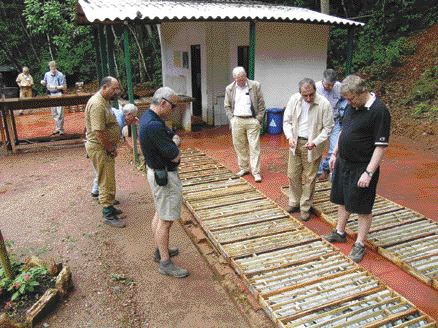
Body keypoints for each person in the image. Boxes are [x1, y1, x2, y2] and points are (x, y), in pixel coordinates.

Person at [324, 75, 391, 263]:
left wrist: (369, 172)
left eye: (351, 98)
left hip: (362, 166)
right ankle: (339, 231)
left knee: (362, 206)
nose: (349, 102)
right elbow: (344, 131)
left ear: (362, 92)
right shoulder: (352, 106)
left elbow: (380, 146)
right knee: (342, 199)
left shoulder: (379, 111)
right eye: (346, 99)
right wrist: (335, 154)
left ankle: (360, 243)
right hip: (344, 162)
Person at [139, 86, 188, 278]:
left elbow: (171, 139)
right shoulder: (154, 125)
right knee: (166, 221)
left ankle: (161, 251)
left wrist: (173, 140)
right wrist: (175, 144)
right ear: (163, 103)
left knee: (160, 214)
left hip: (157, 172)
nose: (173, 110)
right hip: (164, 176)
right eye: (173, 106)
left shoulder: (150, 119)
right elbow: (175, 156)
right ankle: (165, 263)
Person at [283, 78, 334, 221]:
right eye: (305, 95)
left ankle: (305, 207)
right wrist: (289, 137)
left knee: (309, 178)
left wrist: (316, 142)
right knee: (292, 174)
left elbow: (328, 127)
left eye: (311, 94)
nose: (308, 98)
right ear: (300, 93)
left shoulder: (324, 103)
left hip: (313, 145)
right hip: (295, 142)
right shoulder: (294, 100)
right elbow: (286, 121)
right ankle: (294, 201)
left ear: (315, 90)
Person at [85, 76, 125, 228]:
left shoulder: (105, 101)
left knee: (108, 177)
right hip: (100, 148)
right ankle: (108, 213)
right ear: (104, 87)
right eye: (114, 88)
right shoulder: (97, 104)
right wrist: (109, 148)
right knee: (105, 179)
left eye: (117, 88)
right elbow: (99, 132)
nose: (117, 91)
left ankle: (110, 207)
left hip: (104, 147)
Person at [224, 66, 266, 183]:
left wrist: (258, 119)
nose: (241, 81)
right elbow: (227, 106)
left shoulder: (255, 85)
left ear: (246, 75)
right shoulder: (230, 88)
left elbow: (261, 104)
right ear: (234, 78)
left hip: (252, 120)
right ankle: (244, 168)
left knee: (254, 147)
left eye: (243, 78)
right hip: (237, 120)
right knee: (239, 146)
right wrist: (232, 119)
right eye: (238, 79)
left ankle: (256, 172)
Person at [90, 103, 139, 200]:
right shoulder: (118, 122)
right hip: (98, 143)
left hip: (93, 141)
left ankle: (96, 191)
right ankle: (106, 200)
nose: (134, 119)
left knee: (100, 168)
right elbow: (109, 138)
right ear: (128, 114)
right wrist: (112, 149)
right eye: (133, 117)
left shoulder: (117, 111)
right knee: (105, 170)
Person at [315, 69, 346, 180]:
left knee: (335, 148)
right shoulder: (316, 88)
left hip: (335, 121)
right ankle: (318, 172)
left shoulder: (339, 87)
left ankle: (326, 169)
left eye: (332, 85)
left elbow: (345, 100)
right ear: (323, 80)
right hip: (320, 122)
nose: (329, 87)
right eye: (327, 85)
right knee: (316, 147)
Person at [41, 61, 66, 135]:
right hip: (51, 94)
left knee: (60, 113)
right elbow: (45, 82)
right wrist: (43, 82)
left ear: (56, 67)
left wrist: (55, 86)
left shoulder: (60, 74)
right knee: (54, 113)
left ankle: (61, 129)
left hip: (58, 94)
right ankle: (57, 128)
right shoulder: (47, 74)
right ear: (49, 67)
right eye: (51, 67)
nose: (53, 69)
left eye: (54, 67)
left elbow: (63, 86)